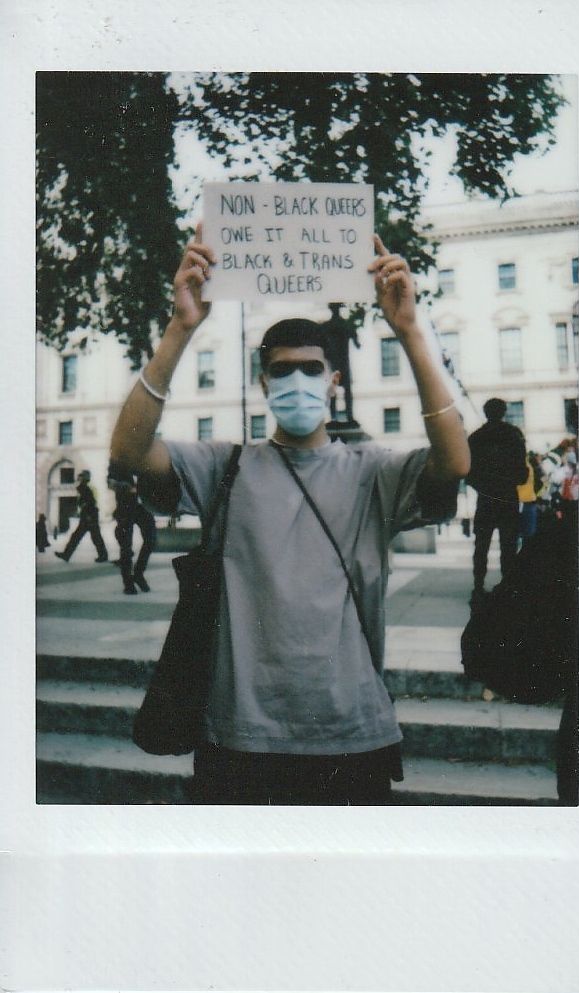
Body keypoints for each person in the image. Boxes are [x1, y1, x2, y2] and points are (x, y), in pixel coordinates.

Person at [110, 223, 470, 805]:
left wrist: (409, 332)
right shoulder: (223, 467)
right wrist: (181, 329)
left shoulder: (371, 471)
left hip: (351, 733)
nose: (296, 380)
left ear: (332, 380)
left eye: (310, 368)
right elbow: (128, 452)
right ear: (262, 382)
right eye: (281, 369)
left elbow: (454, 461)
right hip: (238, 736)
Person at [466, 398, 528, 608]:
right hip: (508, 498)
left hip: (486, 499)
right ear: (503, 412)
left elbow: (469, 474)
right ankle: (507, 587)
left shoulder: (475, 438)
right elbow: (522, 474)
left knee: (481, 545)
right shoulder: (514, 435)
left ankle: (478, 586)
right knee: (509, 546)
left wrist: (485, 487)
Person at [109, 468, 157, 594]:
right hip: (126, 507)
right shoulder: (118, 461)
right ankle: (128, 583)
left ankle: (138, 573)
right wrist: (125, 487)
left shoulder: (144, 462)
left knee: (151, 540)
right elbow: (110, 482)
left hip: (144, 507)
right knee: (126, 546)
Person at [55, 469, 108, 563]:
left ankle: (67, 555)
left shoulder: (84, 488)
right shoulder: (84, 487)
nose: (78, 477)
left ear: (84, 478)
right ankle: (67, 555)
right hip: (89, 516)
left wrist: (88, 514)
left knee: (87, 537)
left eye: (81, 476)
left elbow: (91, 502)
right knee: (88, 537)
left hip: (89, 516)